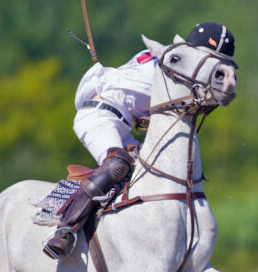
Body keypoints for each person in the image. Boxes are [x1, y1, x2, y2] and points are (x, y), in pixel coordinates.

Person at [42, 21, 237, 259]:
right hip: (99, 115)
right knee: (117, 164)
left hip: (123, 123)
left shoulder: (174, 63)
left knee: (152, 176)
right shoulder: (173, 67)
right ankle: (65, 230)